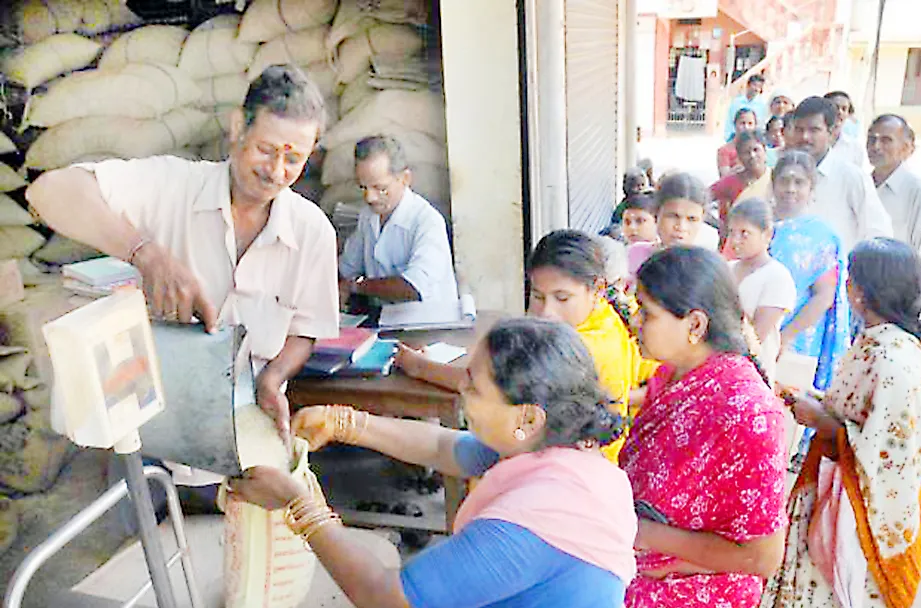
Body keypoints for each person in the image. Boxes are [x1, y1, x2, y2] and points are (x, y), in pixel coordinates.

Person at [26, 64, 339, 488]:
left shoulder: (313, 232)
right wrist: (146, 254)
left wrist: (273, 377)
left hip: (248, 438)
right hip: (153, 447)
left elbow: (305, 329)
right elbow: (47, 192)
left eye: (294, 157)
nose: (277, 170)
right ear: (237, 129)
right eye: (266, 149)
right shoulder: (171, 185)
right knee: (146, 548)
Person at [230, 318, 639, 608]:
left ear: (528, 415)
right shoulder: (556, 448)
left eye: (474, 387)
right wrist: (346, 423)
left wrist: (300, 505)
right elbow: (445, 448)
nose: (461, 390)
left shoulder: (531, 524)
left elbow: (386, 601)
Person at [755, 238, 921, 608]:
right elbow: (867, 416)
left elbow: (885, 454)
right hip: (838, 499)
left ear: (859, 291)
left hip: (857, 521)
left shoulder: (891, 358)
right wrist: (818, 404)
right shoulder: (885, 343)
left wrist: (820, 421)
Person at [620, 246, 788, 608]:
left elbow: (763, 557)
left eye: (646, 312)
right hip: (639, 561)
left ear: (695, 325)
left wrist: (643, 534)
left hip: (691, 600)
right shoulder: (673, 375)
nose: (634, 322)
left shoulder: (746, 413)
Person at [398, 230, 658, 463]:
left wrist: (418, 366)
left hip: (562, 467)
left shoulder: (585, 345)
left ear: (597, 289)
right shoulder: (602, 315)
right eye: (537, 296)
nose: (547, 312)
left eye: (562, 298)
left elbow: (489, 384)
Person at [338, 135, 458, 310]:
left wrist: (357, 286)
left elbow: (414, 287)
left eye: (381, 188)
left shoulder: (426, 221)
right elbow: (347, 267)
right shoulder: (368, 216)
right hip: (387, 321)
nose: (369, 198)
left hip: (428, 324)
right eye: (363, 187)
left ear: (405, 179)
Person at [768, 151, 850, 390]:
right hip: (755, 334)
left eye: (799, 182)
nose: (790, 189)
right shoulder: (755, 225)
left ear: (811, 189)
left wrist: (785, 337)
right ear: (773, 184)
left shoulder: (820, 235)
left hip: (798, 338)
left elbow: (824, 296)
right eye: (784, 180)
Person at [790, 96, 891, 252]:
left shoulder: (852, 177)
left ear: (831, 133)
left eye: (814, 130)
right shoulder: (784, 174)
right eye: (799, 129)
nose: (805, 137)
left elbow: (878, 232)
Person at [727, 198, 797, 379]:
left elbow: (756, 337)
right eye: (731, 232)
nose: (735, 240)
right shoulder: (726, 269)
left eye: (744, 233)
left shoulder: (777, 277)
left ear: (767, 234)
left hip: (752, 373)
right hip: (720, 365)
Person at [868, 114, 921, 262]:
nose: (876, 147)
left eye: (886, 140)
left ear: (905, 148)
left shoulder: (917, 191)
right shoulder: (862, 184)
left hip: (895, 279)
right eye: (872, 139)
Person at [627, 172, 717, 281]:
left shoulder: (706, 270)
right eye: (673, 216)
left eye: (692, 219)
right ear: (656, 214)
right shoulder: (634, 256)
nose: (681, 227)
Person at [710, 130, 772, 254]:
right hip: (736, 247)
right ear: (738, 156)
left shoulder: (776, 178)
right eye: (746, 152)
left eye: (756, 150)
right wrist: (719, 225)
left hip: (769, 246)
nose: (752, 155)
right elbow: (699, 200)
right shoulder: (731, 182)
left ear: (765, 151)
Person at [724, 74, 767, 142]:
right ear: (748, 85)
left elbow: (761, 125)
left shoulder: (762, 105)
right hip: (736, 138)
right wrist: (728, 137)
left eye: (759, 87)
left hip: (753, 140)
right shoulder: (736, 102)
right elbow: (730, 120)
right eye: (754, 85)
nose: (756, 89)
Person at [717, 108, 758, 177]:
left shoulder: (759, 148)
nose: (746, 127)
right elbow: (724, 177)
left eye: (750, 123)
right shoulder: (724, 150)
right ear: (735, 124)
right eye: (742, 123)